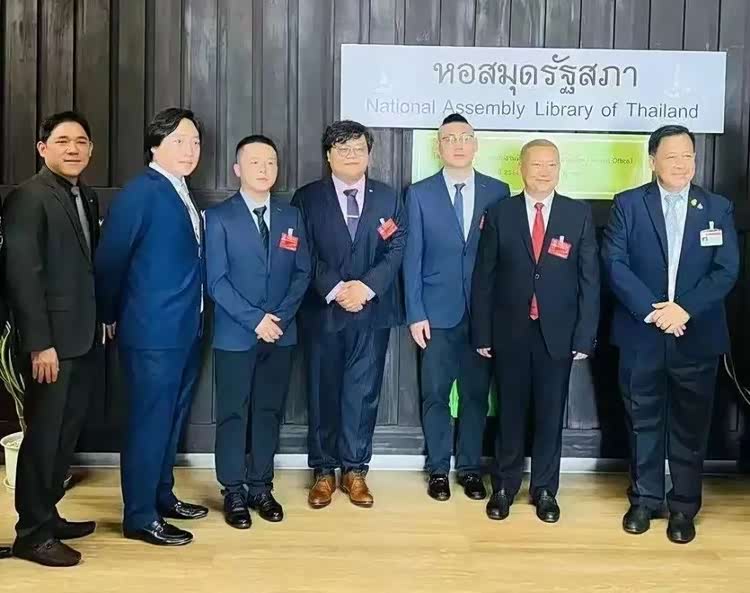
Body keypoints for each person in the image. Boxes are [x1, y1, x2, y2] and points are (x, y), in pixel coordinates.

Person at [601, 125, 739, 544]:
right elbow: (614, 263)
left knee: (690, 426)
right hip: (642, 335)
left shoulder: (717, 207)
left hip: (696, 335)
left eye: (688, 156)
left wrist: (684, 309)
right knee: (641, 421)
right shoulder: (628, 204)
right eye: (672, 156)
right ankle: (644, 500)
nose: (681, 164)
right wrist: (654, 311)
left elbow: (726, 269)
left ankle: (683, 506)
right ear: (653, 161)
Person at [95, 108, 208, 546]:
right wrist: (108, 314)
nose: (190, 149)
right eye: (179, 141)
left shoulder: (179, 190)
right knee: (149, 422)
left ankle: (162, 496)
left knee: (170, 419)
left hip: (185, 329)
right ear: (155, 146)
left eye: (195, 142)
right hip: (152, 333)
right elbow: (110, 260)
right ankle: (140, 516)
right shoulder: (140, 192)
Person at [471, 139, 600, 523]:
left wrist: (584, 335)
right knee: (509, 413)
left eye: (551, 165)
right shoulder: (501, 212)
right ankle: (505, 487)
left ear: (559, 169)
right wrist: (482, 333)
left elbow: (590, 281)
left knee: (550, 415)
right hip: (509, 332)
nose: (544, 172)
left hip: (558, 334)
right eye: (537, 164)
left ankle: (545, 489)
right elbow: (484, 278)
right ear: (521, 169)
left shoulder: (577, 214)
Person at [3, 111, 101, 566]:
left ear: (91, 149)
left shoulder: (86, 196)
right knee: (44, 438)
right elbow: (23, 276)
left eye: (81, 141)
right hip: (51, 346)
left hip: (82, 338)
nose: (73, 148)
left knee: (64, 436)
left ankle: (48, 515)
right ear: (43, 148)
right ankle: (32, 534)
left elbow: (85, 269)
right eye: (62, 141)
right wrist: (40, 344)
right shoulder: (28, 197)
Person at [292, 120, 406, 509]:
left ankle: (355, 470)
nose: (352, 155)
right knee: (322, 391)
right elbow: (302, 250)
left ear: (369, 154)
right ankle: (324, 471)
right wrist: (338, 289)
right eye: (343, 149)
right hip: (324, 310)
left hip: (372, 311)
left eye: (358, 148)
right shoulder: (307, 198)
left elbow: (397, 247)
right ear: (329, 156)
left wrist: (366, 287)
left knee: (364, 392)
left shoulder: (388, 197)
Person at [403, 113, 509, 501]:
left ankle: (469, 469)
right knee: (435, 394)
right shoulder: (419, 194)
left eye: (465, 137)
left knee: (476, 395)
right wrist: (416, 312)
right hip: (435, 314)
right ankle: (437, 469)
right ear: (439, 147)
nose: (458, 144)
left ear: (476, 144)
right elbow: (411, 258)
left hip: (484, 315)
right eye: (450, 139)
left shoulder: (498, 191)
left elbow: (504, 258)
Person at [206, 135, 310, 529]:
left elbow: (302, 273)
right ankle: (233, 489)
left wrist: (277, 319)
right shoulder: (219, 217)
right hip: (236, 335)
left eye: (270, 162)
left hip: (281, 334)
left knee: (268, 411)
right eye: (254, 162)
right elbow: (216, 281)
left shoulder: (291, 216)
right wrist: (255, 320)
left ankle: (261, 486)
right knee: (233, 413)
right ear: (237, 169)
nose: (264, 169)